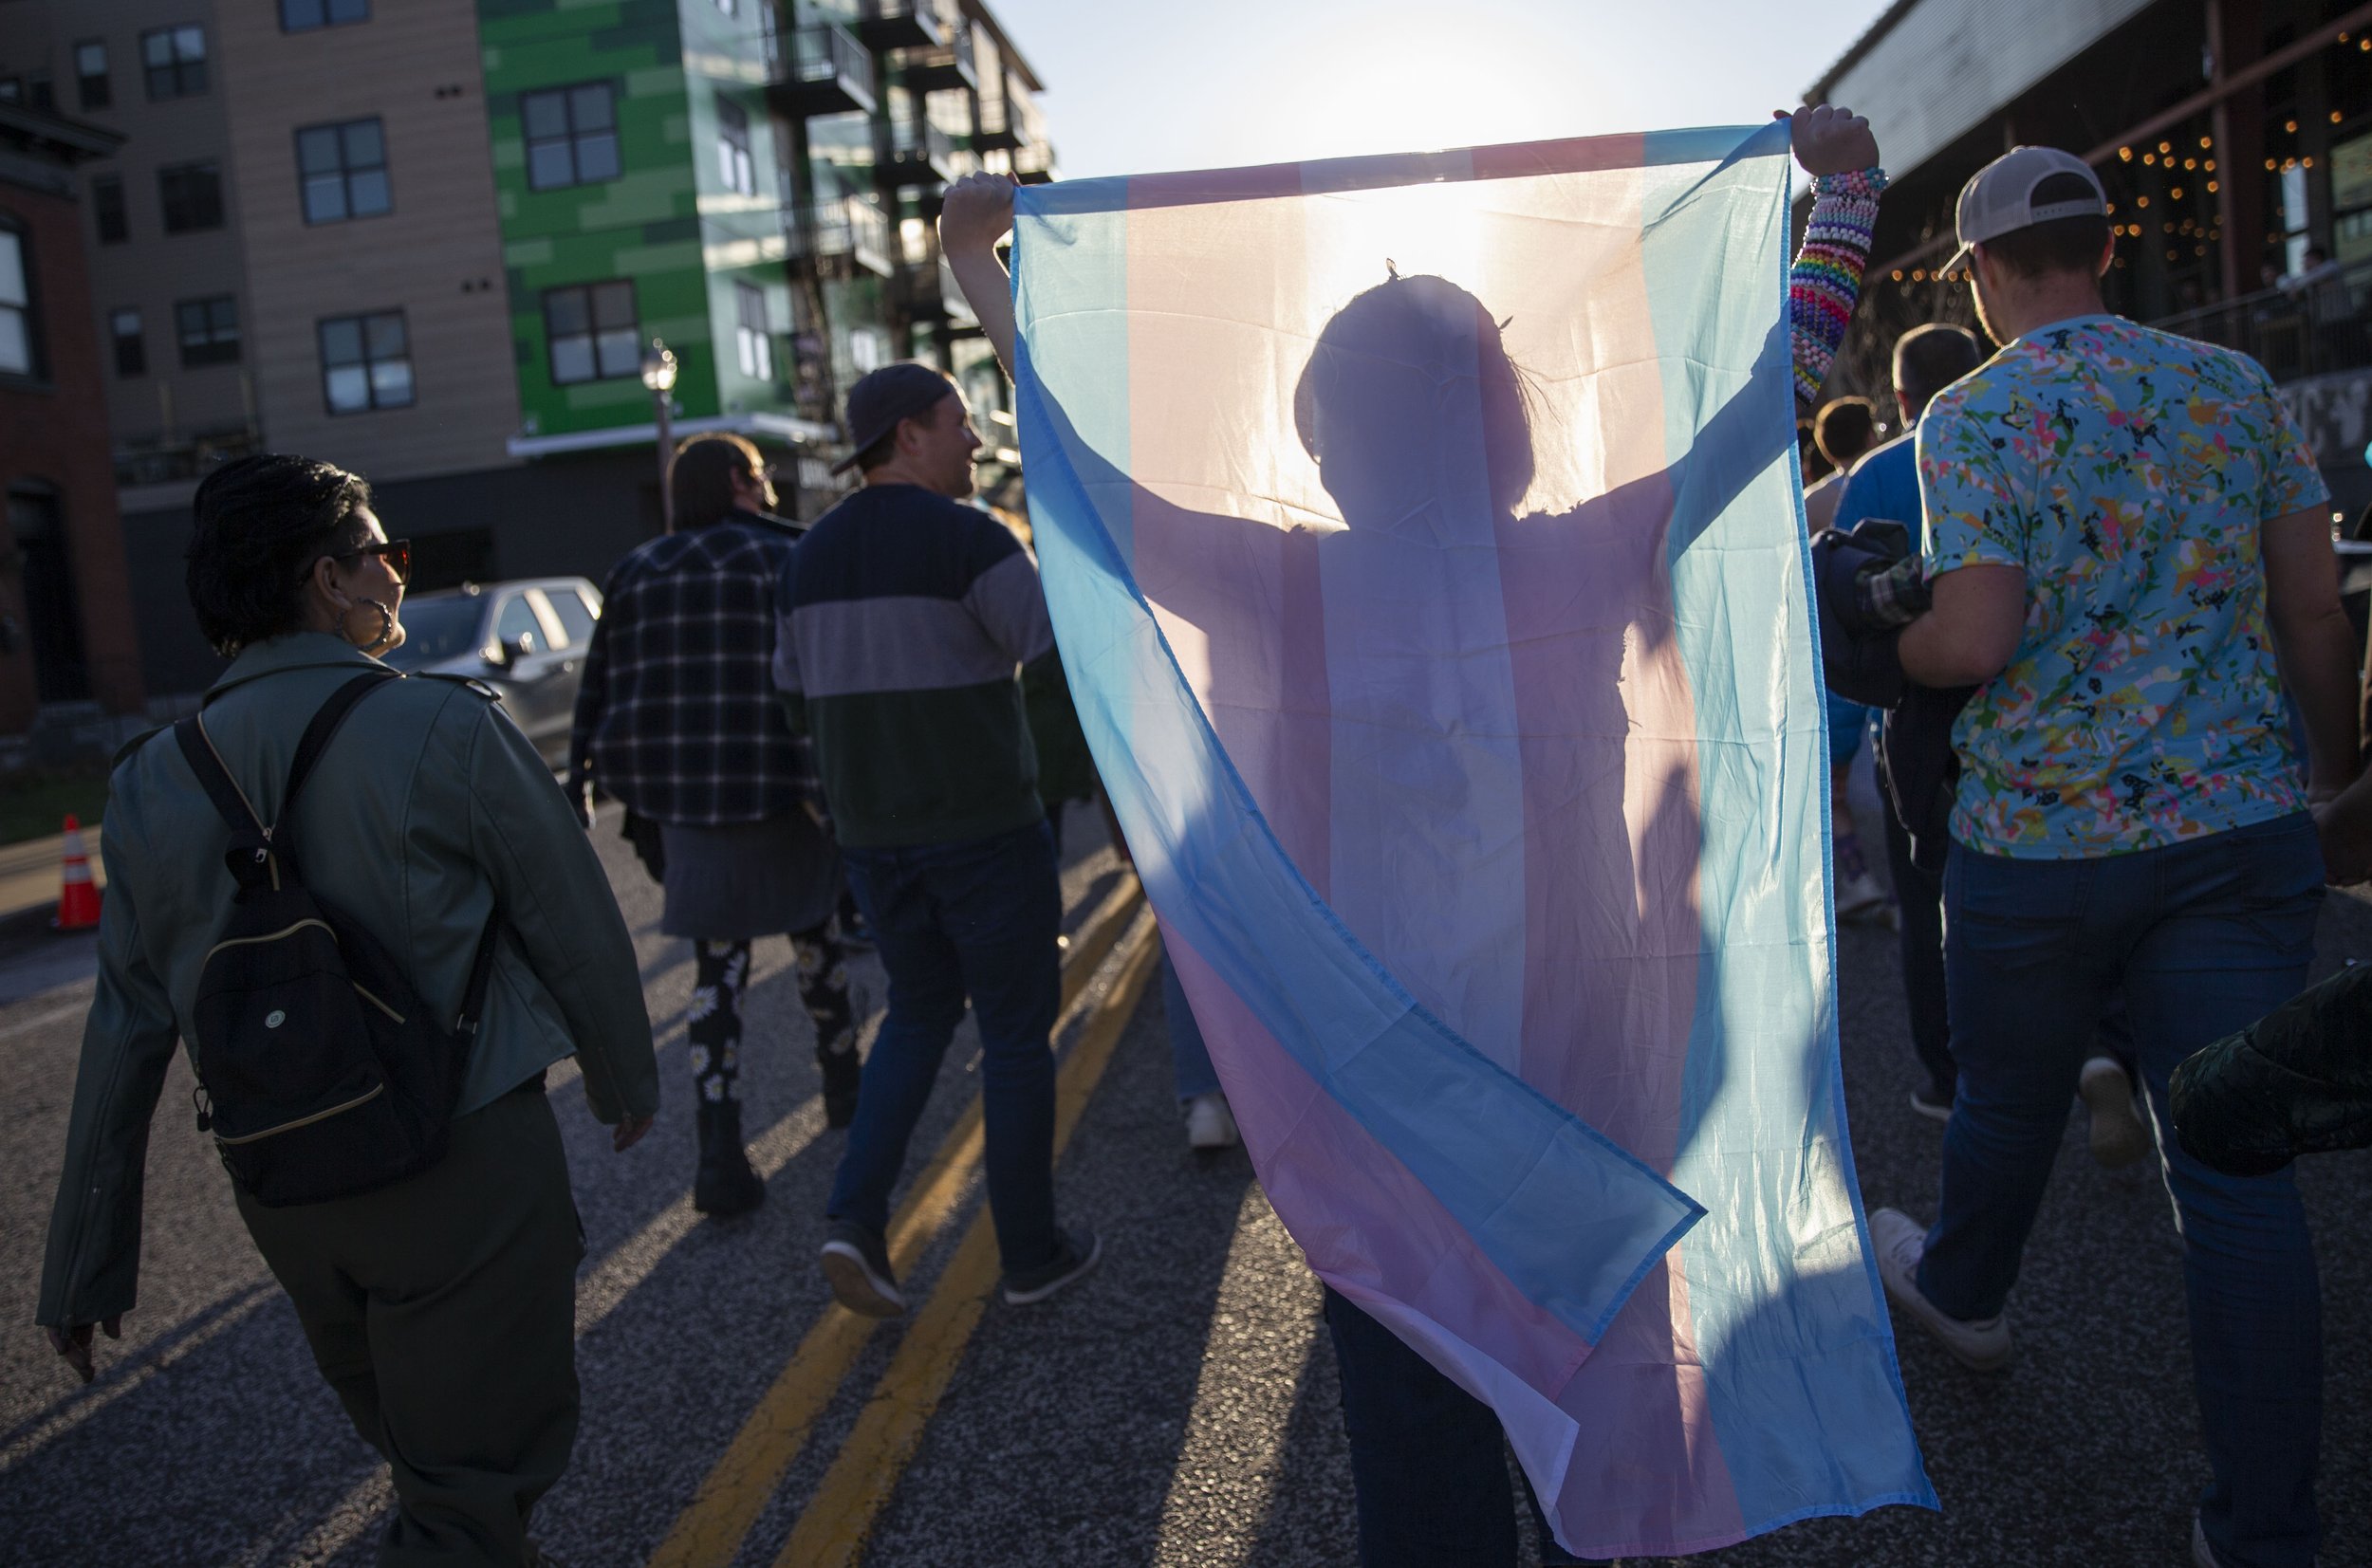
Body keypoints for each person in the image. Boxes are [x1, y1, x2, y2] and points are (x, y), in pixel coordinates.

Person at [936, 101, 1888, 1565]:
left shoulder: (1275, 584)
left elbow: (1080, 484)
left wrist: (986, 279)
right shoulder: (1587, 553)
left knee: (1418, 1415)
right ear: (1509, 430)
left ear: (1330, 442)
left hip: (1383, 1081)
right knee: (1623, 1376)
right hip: (1588, 1052)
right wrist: (1848, 197)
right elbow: (1780, 387)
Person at [1867, 146, 2360, 1568]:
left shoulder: (1978, 413)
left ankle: (1965, 1288)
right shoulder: (2232, 389)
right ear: (2104, 239)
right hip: (2235, 829)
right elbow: (2315, 614)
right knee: (2237, 1177)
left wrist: (1883, 643)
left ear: (1976, 273)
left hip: (2044, 842)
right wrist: (2328, 779)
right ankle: (2264, 1533)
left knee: (2008, 1104)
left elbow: (1970, 642)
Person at [36, 454, 658, 1567]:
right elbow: (574, 921)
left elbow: (127, 1032)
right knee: (468, 1487)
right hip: (461, 1158)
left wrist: (87, 1264)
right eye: (383, 554)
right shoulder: (447, 727)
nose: (395, 577)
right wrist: (624, 1079)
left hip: (285, 1183)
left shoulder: (144, 781)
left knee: (426, 1461)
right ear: (326, 579)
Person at [776, 362, 1098, 1317]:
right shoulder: (970, 538)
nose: (975, 442)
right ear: (909, 435)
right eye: (961, 424)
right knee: (1011, 1038)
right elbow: (1055, 662)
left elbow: (794, 704)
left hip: (873, 840)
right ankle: (1031, 1254)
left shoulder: (804, 559)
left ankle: (854, 1219)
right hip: (984, 828)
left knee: (916, 1017)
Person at [570, 434, 859, 1217]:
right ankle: (843, 1086)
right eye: (761, 477)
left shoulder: (635, 571)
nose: (768, 490)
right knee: (818, 948)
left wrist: (590, 785)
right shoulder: (782, 560)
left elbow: (598, 688)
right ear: (738, 481)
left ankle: (719, 1151)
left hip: (689, 804)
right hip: (783, 792)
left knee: (717, 972)